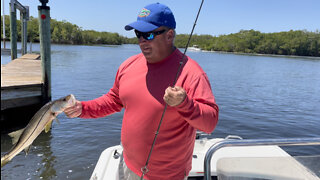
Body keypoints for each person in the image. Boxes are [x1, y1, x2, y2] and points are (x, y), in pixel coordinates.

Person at [64, 3, 219, 180]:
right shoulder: (128, 65)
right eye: (139, 35)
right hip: (127, 164)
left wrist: (185, 104)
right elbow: (114, 100)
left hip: (167, 175)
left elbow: (210, 123)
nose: (142, 41)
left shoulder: (192, 73)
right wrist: (82, 108)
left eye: (149, 34)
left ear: (169, 35)